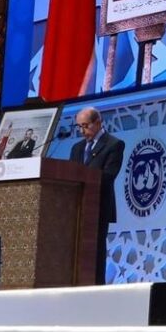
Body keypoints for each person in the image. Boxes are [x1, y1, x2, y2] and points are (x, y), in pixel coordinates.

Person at [70, 107, 125, 285]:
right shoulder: (77, 148)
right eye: (79, 127)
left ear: (98, 123)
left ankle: (96, 288)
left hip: (98, 206)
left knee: (95, 250)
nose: (82, 131)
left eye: (85, 126)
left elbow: (109, 176)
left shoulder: (114, 145)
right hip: (77, 208)